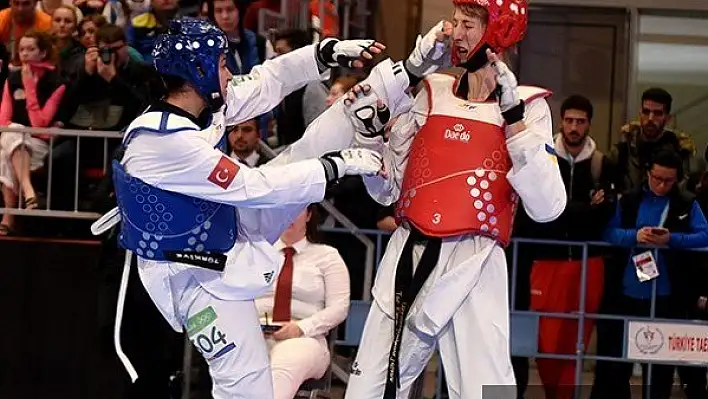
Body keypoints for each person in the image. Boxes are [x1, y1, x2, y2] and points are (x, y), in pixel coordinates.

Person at [90, 17, 392, 399]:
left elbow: (268, 82)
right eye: (220, 64)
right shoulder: (164, 140)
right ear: (197, 71)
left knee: (301, 158)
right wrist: (337, 166)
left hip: (220, 239)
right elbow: (252, 186)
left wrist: (323, 53)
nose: (229, 73)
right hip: (186, 276)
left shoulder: (207, 106)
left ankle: (369, 101)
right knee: (245, 385)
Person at [339, 0, 567, 397]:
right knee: (369, 387)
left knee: (489, 388)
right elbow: (387, 190)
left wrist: (515, 126)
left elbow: (548, 208)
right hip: (408, 250)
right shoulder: (430, 92)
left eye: (468, 25)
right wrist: (369, 135)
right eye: (455, 23)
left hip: (475, 262)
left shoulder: (529, 107)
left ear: (499, 32)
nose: (454, 33)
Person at [255, 203, 350, 399]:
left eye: (295, 209)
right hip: (254, 333)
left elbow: (339, 307)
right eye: (282, 209)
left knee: (284, 364)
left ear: (308, 215)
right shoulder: (256, 253)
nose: (287, 215)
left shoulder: (327, 256)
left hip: (305, 338)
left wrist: (301, 328)